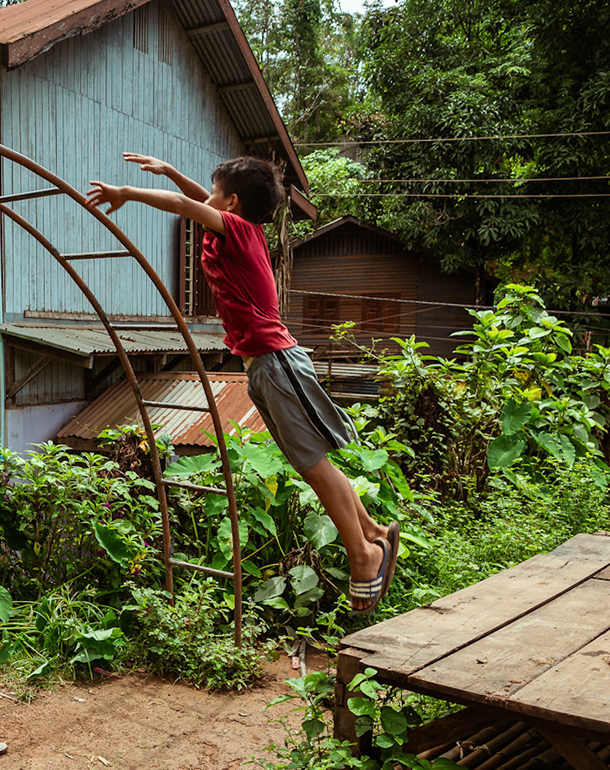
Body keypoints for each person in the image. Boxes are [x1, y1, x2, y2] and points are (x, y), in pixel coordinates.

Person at [85, 153, 399, 611]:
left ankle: (363, 554)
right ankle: (371, 530)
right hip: (266, 366)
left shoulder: (235, 230)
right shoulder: (237, 228)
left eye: (215, 193)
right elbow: (198, 198)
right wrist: (172, 171)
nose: (206, 198)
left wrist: (126, 193)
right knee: (312, 464)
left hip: (276, 363)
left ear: (231, 203)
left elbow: (182, 203)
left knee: (314, 466)